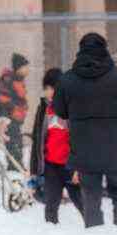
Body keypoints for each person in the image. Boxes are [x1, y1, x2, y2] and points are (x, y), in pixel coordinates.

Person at [53, 33, 117, 228]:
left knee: (91, 196)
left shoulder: (68, 80)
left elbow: (60, 110)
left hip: (84, 149)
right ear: (105, 49)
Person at [29, 68, 84, 224]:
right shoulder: (43, 109)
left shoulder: (72, 108)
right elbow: (37, 140)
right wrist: (34, 170)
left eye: (50, 88)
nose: (47, 92)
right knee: (51, 205)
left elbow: (80, 140)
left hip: (70, 165)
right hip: (51, 165)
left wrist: (78, 168)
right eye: (45, 89)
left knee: (82, 203)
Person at [0, 53, 30, 170]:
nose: (27, 70)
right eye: (25, 67)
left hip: (16, 118)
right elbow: (2, 97)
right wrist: (13, 107)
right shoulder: (9, 80)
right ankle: (15, 170)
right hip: (10, 118)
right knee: (14, 144)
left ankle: (16, 168)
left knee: (17, 144)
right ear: (18, 68)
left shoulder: (18, 80)